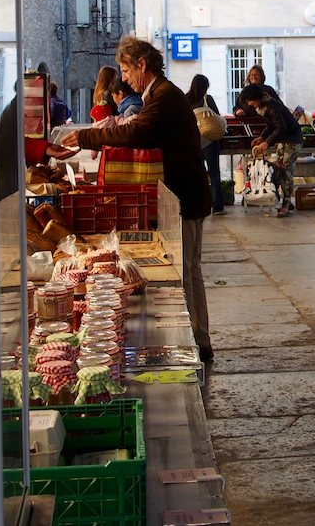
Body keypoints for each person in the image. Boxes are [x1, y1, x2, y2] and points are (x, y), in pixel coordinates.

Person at [61, 37, 215, 360]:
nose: (125, 78)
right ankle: (200, 341)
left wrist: (88, 136)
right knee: (191, 271)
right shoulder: (162, 94)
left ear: (142, 65)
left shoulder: (164, 96)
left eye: (126, 70)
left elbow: (136, 133)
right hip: (189, 194)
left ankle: (193, 346)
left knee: (186, 273)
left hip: (185, 197)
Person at [242, 83, 303, 218]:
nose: (249, 104)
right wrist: (262, 137)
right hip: (284, 140)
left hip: (292, 140)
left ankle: (286, 204)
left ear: (256, 98)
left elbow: (281, 128)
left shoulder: (271, 106)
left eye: (250, 100)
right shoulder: (265, 106)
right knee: (280, 170)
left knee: (286, 172)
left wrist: (267, 143)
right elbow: (271, 125)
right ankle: (286, 200)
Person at [187, 74, 226, 216]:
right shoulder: (207, 99)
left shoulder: (186, 99)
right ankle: (217, 207)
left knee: (196, 174)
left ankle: (197, 205)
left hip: (193, 141)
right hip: (209, 141)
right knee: (214, 174)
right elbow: (216, 116)